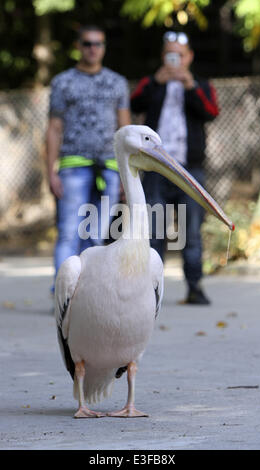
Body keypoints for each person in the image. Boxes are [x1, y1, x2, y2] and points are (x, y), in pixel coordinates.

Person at [131, 31, 219, 305]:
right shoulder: (153, 83)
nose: (176, 60)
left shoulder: (201, 85)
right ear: (163, 57)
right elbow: (134, 103)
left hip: (190, 169)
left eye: (180, 55)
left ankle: (195, 285)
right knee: (155, 230)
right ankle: (149, 288)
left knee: (191, 232)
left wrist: (191, 86)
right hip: (157, 168)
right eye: (171, 54)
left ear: (189, 56)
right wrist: (156, 81)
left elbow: (211, 112)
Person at [46, 24, 131, 282]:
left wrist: (128, 175)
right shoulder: (62, 82)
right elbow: (53, 128)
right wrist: (50, 172)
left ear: (104, 47)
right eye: (87, 44)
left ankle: (88, 293)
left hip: (109, 169)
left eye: (98, 44)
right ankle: (63, 294)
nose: (93, 49)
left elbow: (125, 130)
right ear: (78, 46)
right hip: (73, 168)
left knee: (97, 235)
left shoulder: (117, 82)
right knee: (69, 233)